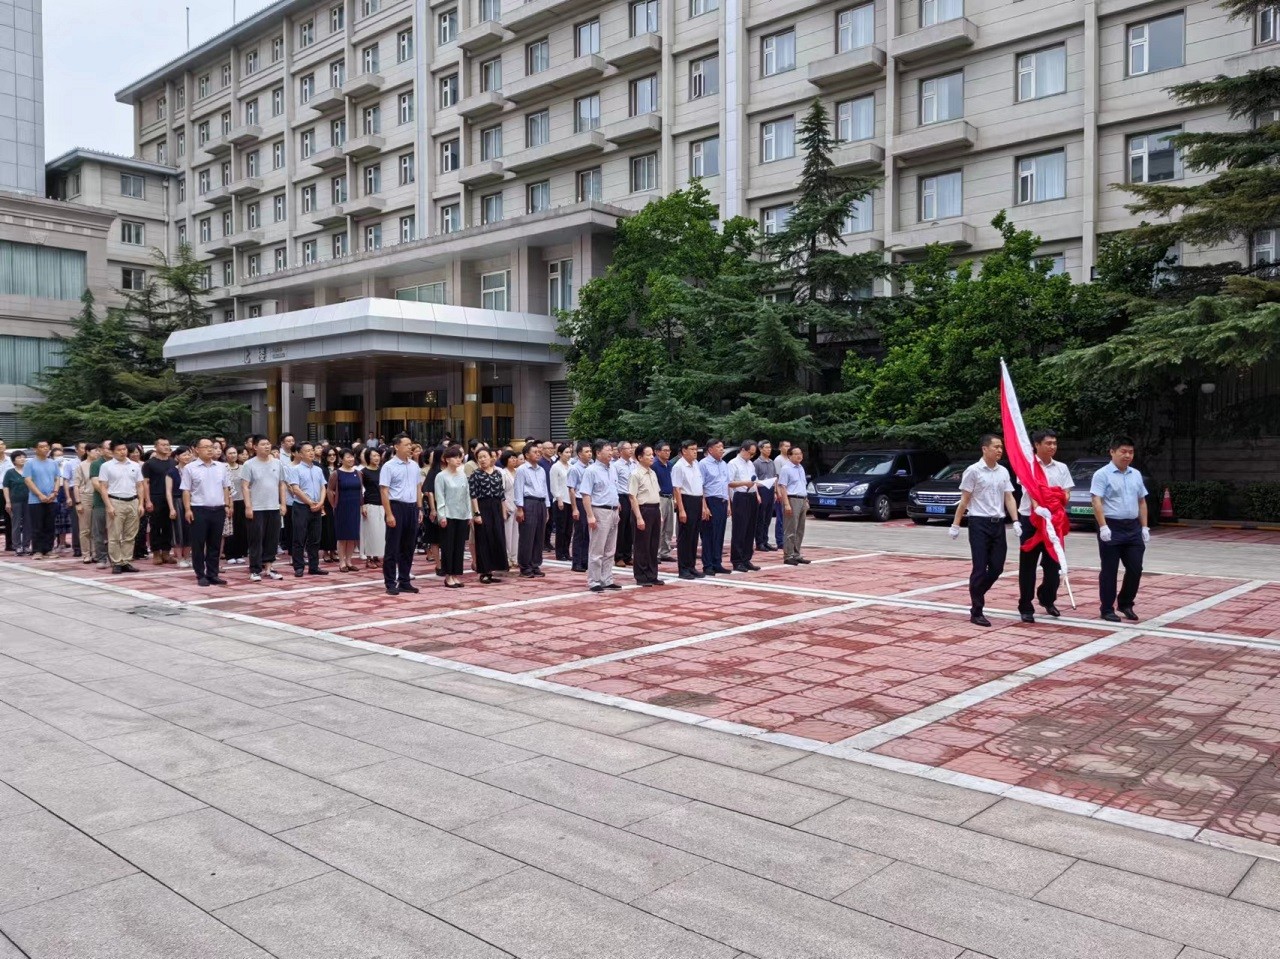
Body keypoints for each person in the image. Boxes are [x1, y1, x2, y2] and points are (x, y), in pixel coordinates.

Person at [951, 435, 1022, 627]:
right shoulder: (973, 471)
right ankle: (977, 610)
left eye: (1001, 447)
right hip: (978, 524)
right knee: (980, 568)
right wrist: (956, 524)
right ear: (985, 449)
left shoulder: (1003, 472)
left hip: (998, 524)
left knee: (997, 567)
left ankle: (976, 592)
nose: (1000, 450)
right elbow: (965, 499)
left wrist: (1015, 520)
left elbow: (1009, 497)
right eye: (996, 447)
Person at [1017, 428, 1074, 623]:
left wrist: (1058, 501)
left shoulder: (1061, 468)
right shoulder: (1028, 466)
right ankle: (1025, 606)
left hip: (1054, 522)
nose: (1052, 447)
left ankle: (1047, 598)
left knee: (1054, 567)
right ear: (1037, 445)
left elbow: (1067, 493)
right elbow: (1031, 491)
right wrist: (1039, 507)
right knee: (1028, 566)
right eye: (1048, 443)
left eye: (1054, 443)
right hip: (1032, 520)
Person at [1091, 435, 1150, 623]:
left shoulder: (1136, 474)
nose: (1127, 456)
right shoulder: (1102, 474)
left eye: (1130, 452)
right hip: (1112, 526)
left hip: (1132, 528)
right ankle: (1107, 608)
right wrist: (1103, 527)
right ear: (1112, 452)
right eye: (1123, 452)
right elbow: (1096, 501)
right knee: (1109, 570)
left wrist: (1145, 526)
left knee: (1135, 568)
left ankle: (1125, 603)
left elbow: (1141, 501)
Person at [181, 437, 234, 587]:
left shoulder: (221, 467)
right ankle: (200, 574)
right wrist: (187, 509)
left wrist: (227, 505)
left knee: (215, 544)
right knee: (198, 544)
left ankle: (213, 573)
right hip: (199, 509)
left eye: (212, 446)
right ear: (197, 450)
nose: (210, 449)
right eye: (205, 447)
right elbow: (186, 490)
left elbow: (226, 488)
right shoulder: (190, 468)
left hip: (218, 509)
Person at [380, 433, 424, 596]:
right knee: (392, 546)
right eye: (406, 444)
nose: (409, 447)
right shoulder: (389, 466)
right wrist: (389, 514)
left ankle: (404, 580)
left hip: (412, 508)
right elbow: (384, 491)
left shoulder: (414, 466)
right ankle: (390, 582)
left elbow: (418, 488)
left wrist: (420, 509)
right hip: (396, 507)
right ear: (396, 447)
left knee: (408, 546)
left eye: (410, 444)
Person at [241, 435, 287, 583]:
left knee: (272, 539)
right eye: (263, 444)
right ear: (254, 447)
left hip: (273, 507)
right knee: (256, 540)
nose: (267, 447)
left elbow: (282, 484)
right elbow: (245, 486)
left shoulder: (277, 463)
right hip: (257, 508)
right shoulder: (249, 464)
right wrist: (248, 506)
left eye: (268, 444)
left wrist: (283, 504)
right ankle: (255, 569)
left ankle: (269, 567)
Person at [94, 440, 145, 574]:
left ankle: (126, 561)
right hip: (115, 501)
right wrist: (109, 506)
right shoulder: (106, 466)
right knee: (114, 535)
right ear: (112, 452)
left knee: (130, 535)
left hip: (133, 501)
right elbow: (103, 487)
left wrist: (141, 503)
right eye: (119, 450)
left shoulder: (134, 465)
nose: (123, 452)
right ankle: (116, 562)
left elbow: (140, 485)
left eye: (124, 449)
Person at [581, 440, 622, 592]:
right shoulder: (591, 471)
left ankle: (607, 579)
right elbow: (586, 495)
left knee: (610, 549)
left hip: (613, 511)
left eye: (612, 450)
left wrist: (617, 506)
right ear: (598, 453)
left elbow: (613, 489)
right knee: (597, 549)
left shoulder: (612, 469)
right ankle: (594, 581)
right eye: (607, 450)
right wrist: (590, 516)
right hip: (599, 511)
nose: (611, 453)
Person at [286, 442, 329, 580]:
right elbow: (296, 489)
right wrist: (310, 502)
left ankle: (314, 566)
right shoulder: (295, 469)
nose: (311, 453)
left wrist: (321, 502)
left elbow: (323, 487)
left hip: (317, 507)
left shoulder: (318, 469)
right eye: (307, 451)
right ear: (300, 454)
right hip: (301, 507)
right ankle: (298, 567)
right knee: (299, 538)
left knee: (315, 538)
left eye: (312, 450)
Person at [469, 447, 508, 584]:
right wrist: (477, 513)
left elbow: (501, 494)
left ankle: (493, 570)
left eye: (485, 456)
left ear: (491, 458)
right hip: (483, 507)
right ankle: (484, 572)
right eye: (479, 457)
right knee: (484, 539)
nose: (482, 459)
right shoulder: (476, 475)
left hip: (496, 507)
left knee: (497, 537)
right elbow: (473, 495)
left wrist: (504, 511)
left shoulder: (497, 473)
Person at [672, 439, 709, 581]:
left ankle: (691, 565)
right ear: (684, 451)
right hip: (686, 500)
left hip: (697, 500)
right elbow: (677, 489)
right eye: (692, 449)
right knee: (685, 537)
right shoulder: (679, 466)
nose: (695, 452)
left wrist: (704, 506)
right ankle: (683, 568)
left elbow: (700, 487)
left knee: (694, 536)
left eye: (696, 449)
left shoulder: (696, 464)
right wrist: (681, 510)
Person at [435, 445, 471, 588]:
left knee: (459, 546)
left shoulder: (462, 475)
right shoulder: (441, 476)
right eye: (455, 457)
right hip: (448, 515)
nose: (458, 460)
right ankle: (448, 575)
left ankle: (456, 574)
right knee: (448, 546)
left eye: (460, 457)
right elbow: (440, 497)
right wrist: (441, 516)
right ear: (446, 459)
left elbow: (467, 495)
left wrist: (469, 514)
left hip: (462, 514)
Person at [629, 443, 663, 586]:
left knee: (653, 544)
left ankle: (652, 574)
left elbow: (657, 493)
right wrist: (638, 517)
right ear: (640, 457)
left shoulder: (653, 473)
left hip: (654, 509)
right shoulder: (636, 474)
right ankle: (641, 575)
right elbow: (632, 497)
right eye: (648, 455)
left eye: (652, 454)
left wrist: (659, 512)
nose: (652, 457)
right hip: (643, 510)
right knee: (642, 545)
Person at [514, 443, 550, 578]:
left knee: (538, 536)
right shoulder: (522, 469)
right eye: (535, 452)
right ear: (527, 455)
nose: (538, 454)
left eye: (539, 452)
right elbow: (518, 489)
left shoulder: (541, 470)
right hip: (528, 502)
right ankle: (525, 566)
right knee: (527, 536)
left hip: (541, 503)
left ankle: (535, 564)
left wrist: (547, 507)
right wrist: (519, 508)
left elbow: (545, 489)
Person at [698, 439, 732, 576]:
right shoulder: (703, 464)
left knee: (719, 534)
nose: (722, 449)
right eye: (719, 447)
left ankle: (717, 562)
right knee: (708, 535)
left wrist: (729, 504)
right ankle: (708, 565)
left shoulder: (724, 464)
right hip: (710, 501)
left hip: (722, 501)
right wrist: (704, 506)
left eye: (722, 447)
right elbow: (700, 486)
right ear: (710, 449)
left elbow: (726, 485)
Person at [327, 448, 363, 572]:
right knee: (342, 536)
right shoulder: (336, 474)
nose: (351, 459)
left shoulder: (358, 473)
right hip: (342, 507)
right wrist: (334, 505)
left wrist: (361, 505)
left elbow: (360, 491)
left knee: (352, 536)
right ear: (341, 459)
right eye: (347, 457)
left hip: (355, 507)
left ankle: (349, 560)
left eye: (352, 456)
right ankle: (342, 562)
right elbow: (330, 490)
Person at [22, 440, 59, 559]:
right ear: (36, 449)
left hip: (52, 499)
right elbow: (28, 480)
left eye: (46, 447)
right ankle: (37, 550)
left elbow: (57, 478)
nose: (45, 449)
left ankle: (48, 549)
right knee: (37, 526)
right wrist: (40, 495)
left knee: (50, 525)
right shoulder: (30, 463)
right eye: (41, 447)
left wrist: (54, 492)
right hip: (36, 500)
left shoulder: (53, 463)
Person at [142, 437, 177, 565]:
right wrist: (148, 500)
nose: (166, 447)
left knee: (169, 526)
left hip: (171, 498)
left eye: (168, 445)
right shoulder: (149, 463)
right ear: (156, 447)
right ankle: (156, 553)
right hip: (155, 497)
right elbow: (146, 483)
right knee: (156, 526)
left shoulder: (173, 462)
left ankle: (166, 552)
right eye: (163, 445)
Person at [728, 440, 761, 573]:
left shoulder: (750, 464)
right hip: (740, 496)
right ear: (743, 450)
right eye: (750, 453)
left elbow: (754, 480)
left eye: (753, 454)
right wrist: (744, 483)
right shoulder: (732, 463)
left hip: (752, 496)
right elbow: (729, 482)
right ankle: (737, 560)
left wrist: (757, 491)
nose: (751, 456)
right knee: (740, 529)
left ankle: (746, 558)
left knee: (750, 529)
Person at [779, 445, 812, 566]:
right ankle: (788, 555)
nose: (799, 456)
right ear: (789, 456)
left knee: (800, 529)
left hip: (802, 499)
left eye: (801, 453)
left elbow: (802, 485)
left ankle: (797, 554)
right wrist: (786, 504)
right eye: (796, 454)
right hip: (792, 499)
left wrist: (806, 500)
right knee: (790, 529)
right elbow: (783, 486)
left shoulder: (800, 468)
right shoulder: (786, 469)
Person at [566, 441, 592, 572]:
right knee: (579, 533)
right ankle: (576, 562)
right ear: (580, 453)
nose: (589, 454)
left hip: (590, 502)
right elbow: (571, 489)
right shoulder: (574, 468)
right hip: (579, 501)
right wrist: (574, 508)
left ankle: (585, 560)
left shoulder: (591, 467)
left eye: (590, 451)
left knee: (588, 533)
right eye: (586, 452)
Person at [74, 445, 101, 564]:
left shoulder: (101, 465)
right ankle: (86, 554)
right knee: (85, 529)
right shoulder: (81, 465)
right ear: (88, 452)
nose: (98, 453)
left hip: (99, 497)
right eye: (95, 451)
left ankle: (95, 553)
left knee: (96, 528)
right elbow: (76, 485)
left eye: (99, 450)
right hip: (85, 497)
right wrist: (78, 502)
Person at [359, 447, 385, 570]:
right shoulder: (363, 472)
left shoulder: (383, 470)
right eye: (374, 456)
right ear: (368, 457)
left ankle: (376, 556)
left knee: (380, 532)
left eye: (378, 456)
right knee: (370, 532)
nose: (376, 458)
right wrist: (362, 505)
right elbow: (360, 490)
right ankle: (369, 557)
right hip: (370, 504)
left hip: (383, 504)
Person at [167, 447, 192, 568]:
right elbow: (168, 491)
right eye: (184, 455)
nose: (187, 457)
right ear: (177, 457)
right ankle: (179, 558)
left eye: (188, 455)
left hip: (192, 501)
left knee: (190, 529)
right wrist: (172, 508)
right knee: (178, 530)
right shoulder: (172, 471)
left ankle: (187, 557)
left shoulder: (193, 469)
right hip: (177, 501)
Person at [223, 446, 248, 565]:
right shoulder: (223, 468)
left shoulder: (243, 468)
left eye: (234, 453)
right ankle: (229, 554)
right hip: (230, 501)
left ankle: (239, 553)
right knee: (230, 529)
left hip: (242, 501)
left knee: (241, 528)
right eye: (230, 453)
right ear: (225, 455)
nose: (232, 455)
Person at [652, 441, 676, 564]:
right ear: (657, 452)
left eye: (669, 450)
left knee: (669, 527)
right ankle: (655, 553)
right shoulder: (654, 465)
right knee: (659, 527)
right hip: (659, 497)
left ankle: (665, 552)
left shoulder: (670, 465)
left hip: (670, 497)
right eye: (665, 450)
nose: (667, 453)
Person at [3, 450, 30, 555]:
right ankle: (17, 546)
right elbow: (6, 487)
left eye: (23, 457)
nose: (22, 459)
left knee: (29, 523)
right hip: (15, 501)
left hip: (29, 500)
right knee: (16, 523)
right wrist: (8, 502)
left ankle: (26, 545)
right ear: (14, 460)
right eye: (19, 457)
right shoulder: (10, 472)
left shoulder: (29, 471)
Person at [753, 441, 778, 553]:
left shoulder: (772, 462)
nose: (769, 450)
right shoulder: (756, 463)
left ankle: (765, 540)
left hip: (770, 490)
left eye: (770, 447)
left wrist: (775, 492)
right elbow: (754, 480)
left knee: (768, 518)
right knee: (760, 517)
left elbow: (774, 477)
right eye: (766, 448)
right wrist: (757, 494)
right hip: (761, 490)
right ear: (760, 449)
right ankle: (759, 542)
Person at [550, 443, 572, 562]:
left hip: (570, 500)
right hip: (560, 501)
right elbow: (554, 485)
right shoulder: (556, 467)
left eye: (570, 452)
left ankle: (566, 551)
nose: (569, 455)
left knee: (569, 529)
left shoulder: (570, 466)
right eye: (566, 452)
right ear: (559, 454)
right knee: (561, 528)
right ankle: (560, 553)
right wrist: (558, 499)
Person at [613, 441, 635, 567]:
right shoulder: (616, 466)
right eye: (627, 448)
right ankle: (619, 556)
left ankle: (628, 555)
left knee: (630, 528)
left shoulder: (633, 464)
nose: (630, 450)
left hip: (632, 497)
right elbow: (614, 483)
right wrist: (616, 500)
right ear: (621, 451)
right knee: (621, 528)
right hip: (622, 497)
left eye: (631, 448)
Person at [318, 445, 340, 563]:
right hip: (326, 501)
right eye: (329, 455)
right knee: (327, 527)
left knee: (336, 526)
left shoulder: (340, 468)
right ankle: (326, 552)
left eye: (334, 455)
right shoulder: (321, 469)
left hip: (339, 501)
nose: (332, 457)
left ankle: (334, 550)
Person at [501, 450, 520, 568]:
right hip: (508, 505)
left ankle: (515, 557)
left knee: (516, 533)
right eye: (511, 458)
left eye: (515, 458)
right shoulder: (503, 473)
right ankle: (507, 557)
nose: (514, 460)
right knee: (507, 533)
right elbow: (501, 492)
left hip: (517, 505)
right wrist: (504, 507)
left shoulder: (518, 472)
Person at [773, 439, 792, 550]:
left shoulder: (789, 459)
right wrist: (777, 491)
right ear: (780, 448)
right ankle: (780, 541)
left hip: (789, 491)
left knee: (787, 518)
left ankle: (787, 539)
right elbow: (777, 477)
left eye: (789, 446)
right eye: (785, 446)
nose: (787, 448)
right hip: (781, 490)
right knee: (780, 518)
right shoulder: (778, 460)